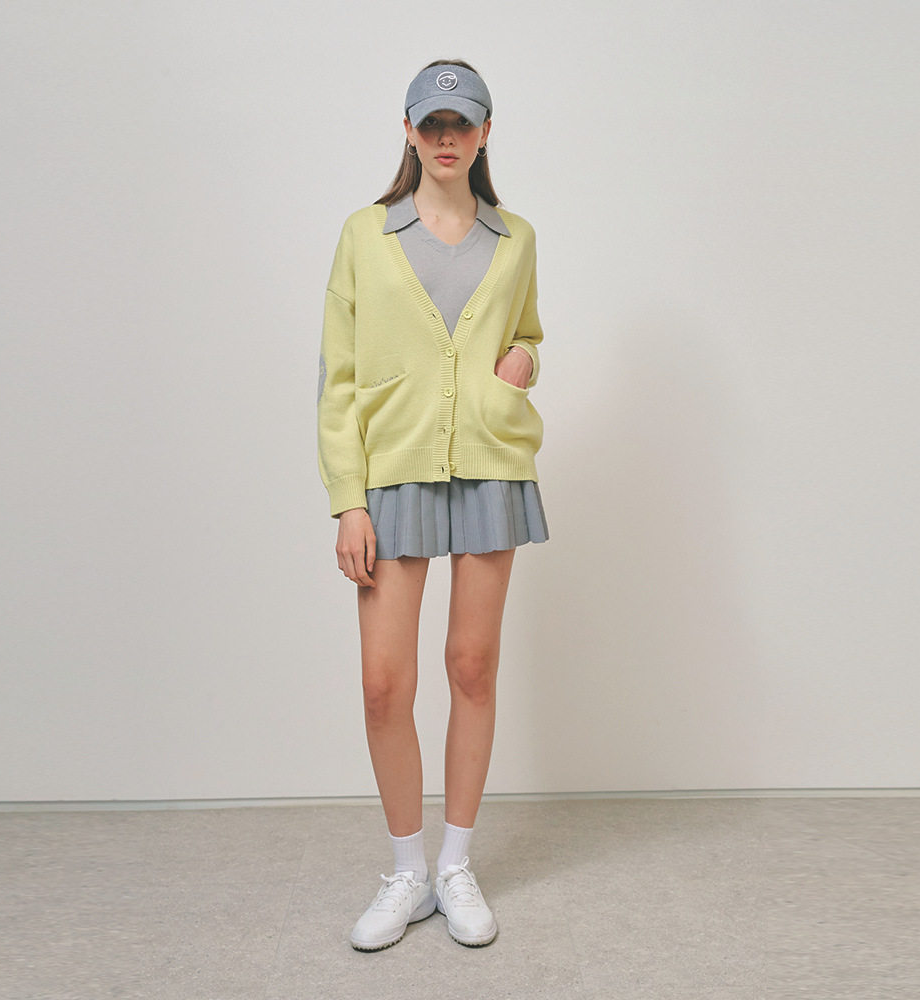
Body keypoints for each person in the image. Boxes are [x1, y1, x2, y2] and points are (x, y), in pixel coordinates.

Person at [317, 59, 548, 951]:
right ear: (409, 131)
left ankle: (456, 864)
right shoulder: (366, 234)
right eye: (432, 123)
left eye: (463, 123)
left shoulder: (515, 238)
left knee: (472, 668)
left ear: (485, 134)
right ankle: (406, 871)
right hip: (394, 470)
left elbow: (525, 332)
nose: (447, 137)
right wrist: (349, 499)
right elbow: (338, 375)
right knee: (385, 684)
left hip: (490, 464)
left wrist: (524, 361)